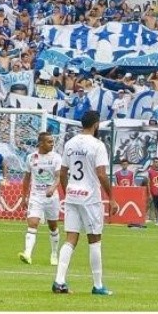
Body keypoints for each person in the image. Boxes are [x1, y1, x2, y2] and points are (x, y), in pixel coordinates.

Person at [53, 110, 118, 296]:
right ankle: (97, 285)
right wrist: (111, 197)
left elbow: (63, 172)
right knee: (94, 240)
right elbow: (101, 174)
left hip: (72, 194)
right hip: (90, 197)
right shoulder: (97, 145)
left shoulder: (70, 143)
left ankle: (59, 281)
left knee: (70, 239)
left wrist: (69, 192)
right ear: (96, 124)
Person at [19, 131, 62, 266]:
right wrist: (23, 197)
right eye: (49, 142)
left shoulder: (56, 158)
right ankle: (27, 254)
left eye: (52, 141)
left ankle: (54, 253)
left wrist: (53, 188)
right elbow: (26, 178)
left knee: (53, 226)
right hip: (36, 196)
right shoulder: (31, 158)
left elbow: (58, 177)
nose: (52, 144)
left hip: (51, 197)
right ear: (41, 143)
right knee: (32, 223)